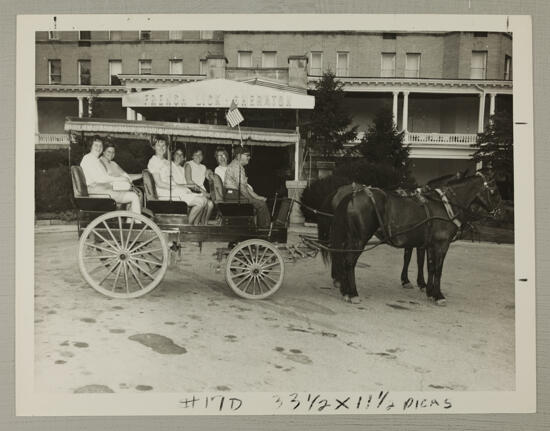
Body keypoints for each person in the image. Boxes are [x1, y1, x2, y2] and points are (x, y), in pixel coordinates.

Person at [147, 136, 207, 225]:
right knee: (201, 202)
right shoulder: (154, 161)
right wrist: (176, 187)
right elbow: (159, 184)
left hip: (174, 190)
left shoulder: (166, 162)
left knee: (204, 199)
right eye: (159, 145)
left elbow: (174, 180)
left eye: (164, 145)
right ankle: (186, 226)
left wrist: (182, 186)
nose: (162, 148)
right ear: (154, 147)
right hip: (166, 193)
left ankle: (192, 225)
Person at [79, 135, 141, 215]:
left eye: (100, 146)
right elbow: (101, 179)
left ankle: (130, 223)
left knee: (130, 191)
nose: (98, 148)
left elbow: (104, 179)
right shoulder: (88, 159)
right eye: (96, 145)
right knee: (134, 196)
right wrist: (121, 179)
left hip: (100, 190)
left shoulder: (95, 160)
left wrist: (123, 182)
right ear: (90, 146)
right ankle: (137, 223)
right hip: (97, 192)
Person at [224, 146, 271, 229]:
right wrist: (251, 199)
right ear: (239, 156)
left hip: (235, 195)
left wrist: (257, 197)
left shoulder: (238, 166)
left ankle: (261, 227)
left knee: (259, 201)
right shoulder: (236, 167)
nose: (249, 157)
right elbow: (242, 188)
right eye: (247, 155)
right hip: (234, 196)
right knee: (261, 205)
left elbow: (245, 187)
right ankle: (265, 229)